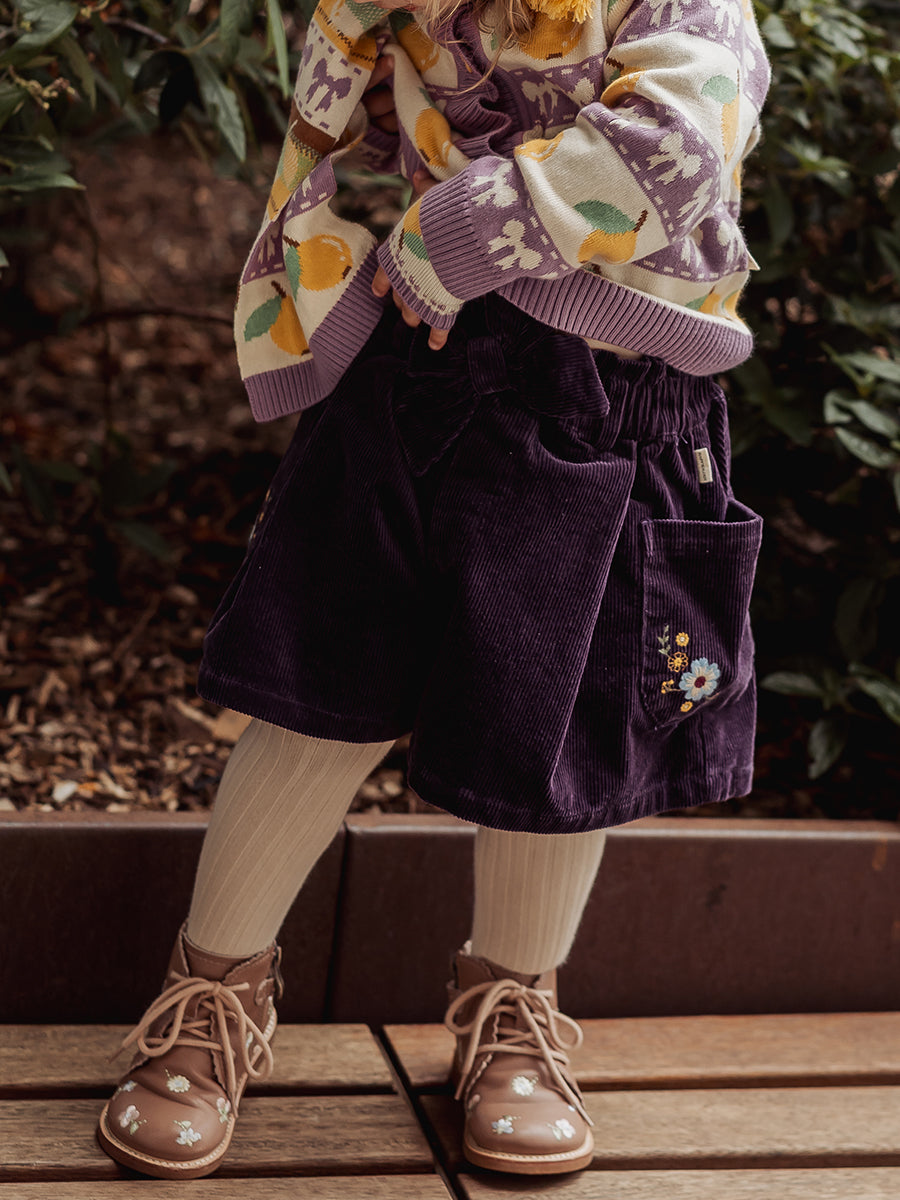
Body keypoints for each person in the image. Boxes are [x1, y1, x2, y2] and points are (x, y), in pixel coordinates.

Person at [96, 0, 770, 1180]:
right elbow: (361, 99)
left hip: (613, 390)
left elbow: (684, 136)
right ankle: (211, 992)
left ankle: (513, 1009)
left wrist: (463, 228)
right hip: (423, 363)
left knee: (556, 731)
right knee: (317, 686)